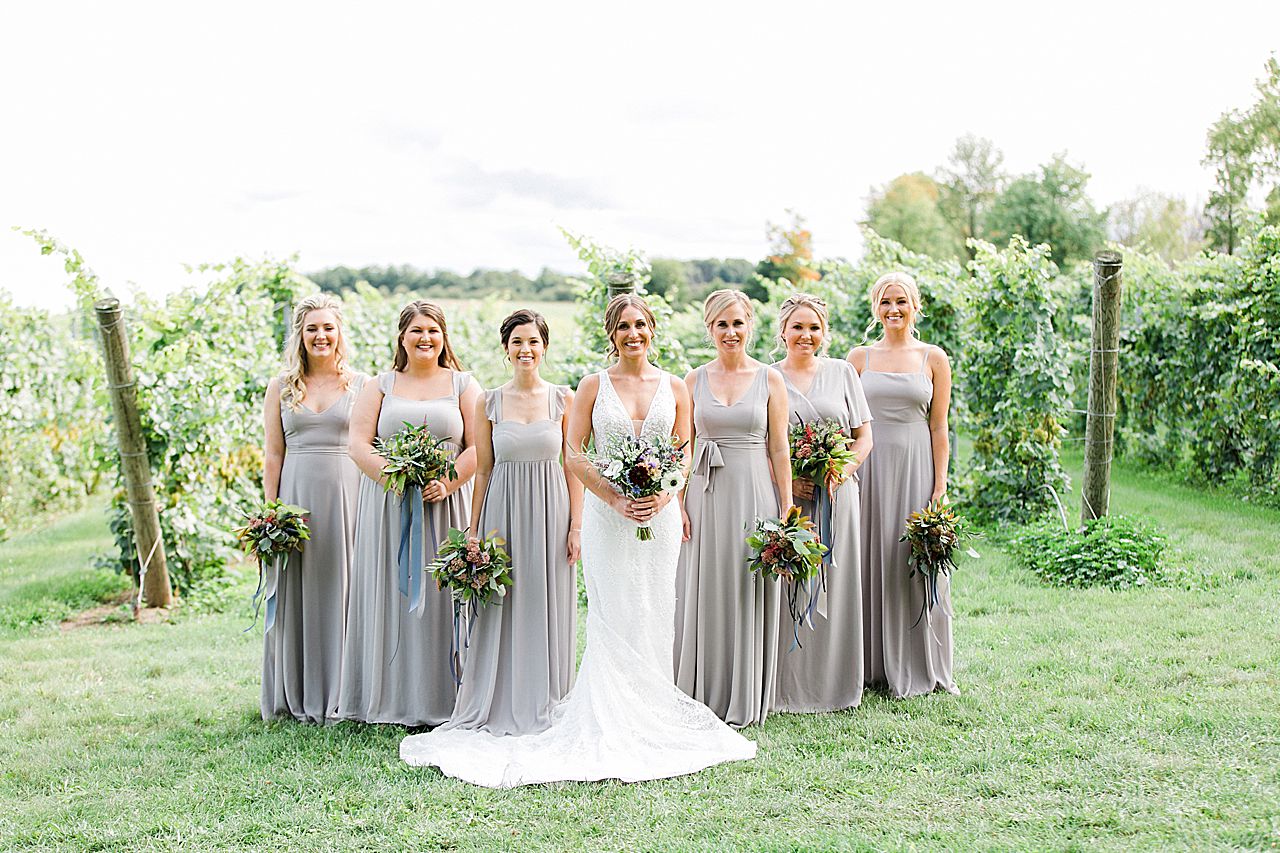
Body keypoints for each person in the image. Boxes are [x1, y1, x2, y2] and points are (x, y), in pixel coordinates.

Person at [400, 293, 756, 786]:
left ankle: (652, 711)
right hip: (609, 520)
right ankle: (608, 713)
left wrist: (662, 494)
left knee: (655, 609)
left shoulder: (676, 386)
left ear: (652, 329)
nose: (633, 334)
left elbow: (684, 453)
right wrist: (613, 500)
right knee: (612, 612)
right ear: (612, 334)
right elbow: (573, 454)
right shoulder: (591, 386)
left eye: (641, 325)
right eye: (623, 326)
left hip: (661, 519)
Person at [336, 300, 480, 726]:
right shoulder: (379, 386)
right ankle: (390, 697)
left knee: (442, 597)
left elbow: (478, 447)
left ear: (444, 337)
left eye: (433, 331)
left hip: (446, 505)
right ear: (402, 337)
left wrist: (449, 480)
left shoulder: (463, 384)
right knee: (392, 595)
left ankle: (449, 695)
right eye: (416, 331)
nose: (425, 338)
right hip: (389, 506)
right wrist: (393, 478)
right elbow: (358, 444)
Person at [438, 309, 581, 735]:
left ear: (545, 347)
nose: (525, 350)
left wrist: (576, 526)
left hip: (551, 510)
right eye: (517, 342)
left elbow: (573, 465)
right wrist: (474, 528)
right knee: (502, 602)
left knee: (546, 599)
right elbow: (482, 470)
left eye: (533, 341)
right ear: (506, 349)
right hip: (502, 509)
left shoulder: (563, 399)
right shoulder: (490, 401)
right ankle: (498, 697)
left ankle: (549, 697)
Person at [674, 289, 793, 727]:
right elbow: (681, 448)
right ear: (709, 329)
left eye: (738, 323)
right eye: (721, 324)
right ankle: (700, 691)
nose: (730, 332)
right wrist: (679, 502)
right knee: (705, 586)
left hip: (755, 494)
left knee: (748, 586)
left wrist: (786, 507)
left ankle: (746, 690)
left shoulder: (770, 380)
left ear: (750, 326)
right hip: (705, 495)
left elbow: (778, 448)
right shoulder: (692, 380)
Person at [848, 272, 958, 698]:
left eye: (901, 301)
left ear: (916, 306)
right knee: (868, 557)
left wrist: (940, 486)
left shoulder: (934, 358)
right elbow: (844, 423)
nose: (893, 309)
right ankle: (869, 664)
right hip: (868, 470)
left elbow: (939, 428)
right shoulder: (858, 358)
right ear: (875, 308)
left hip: (916, 467)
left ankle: (922, 663)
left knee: (912, 562)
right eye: (885, 301)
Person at [260, 294, 365, 723]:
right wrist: (272, 514)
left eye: (328, 328)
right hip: (296, 495)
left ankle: (346, 691)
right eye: (311, 329)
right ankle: (296, 691)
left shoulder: (362, 385)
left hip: (348, 494)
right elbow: (272, 455)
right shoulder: (280, 387)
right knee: (295, 592)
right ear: (300, 337)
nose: (320, 336)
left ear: (340, 333)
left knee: (345, 587)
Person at [770, 293, 873, 712]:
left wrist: (843, 470)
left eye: (813, 328)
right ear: (782, 332)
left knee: (839, 577)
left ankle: (835, 684)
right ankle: (787, 684)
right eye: (797, 327)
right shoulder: (769, 377)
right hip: (791, 498)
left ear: (824, 333)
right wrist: (790, 481)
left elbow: (864, 436)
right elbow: (765, 443)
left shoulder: (843, 372)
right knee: (790, 578)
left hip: (837, 495)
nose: (806, 335)